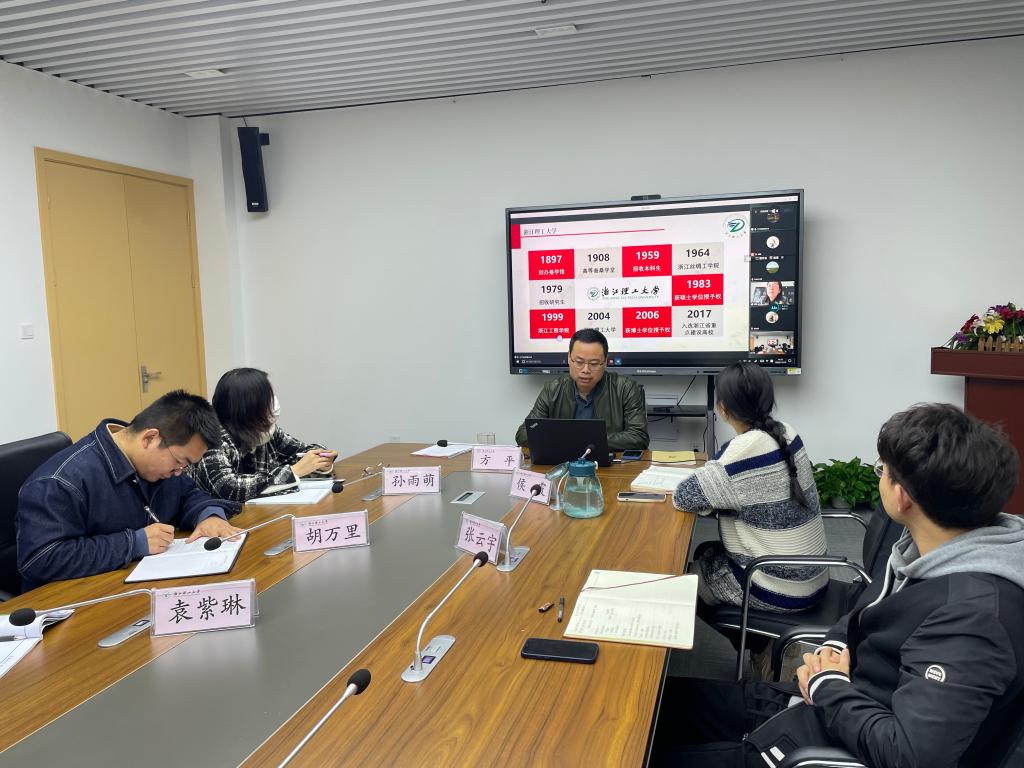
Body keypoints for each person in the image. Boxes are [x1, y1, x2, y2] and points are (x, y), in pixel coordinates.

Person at [652, 403, 1024, 768]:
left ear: (902, 497)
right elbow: (866, 612)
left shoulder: (973, 618)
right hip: (820, 706)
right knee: (650, 704)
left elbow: (909, 756)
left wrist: (827, 684)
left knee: (635, 749)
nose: (879, 476)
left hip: (824, 745)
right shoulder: (927, 548)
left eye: (882, 469)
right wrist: (832, 650)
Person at [17, 390, 243, 591]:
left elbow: (187, 494)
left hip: (137, 586)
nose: (178, 472)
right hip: (73, 601)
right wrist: (132, 543)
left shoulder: (155, 466)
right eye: (179, 462)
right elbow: (40, 558)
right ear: (150, 438)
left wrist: (208, 515)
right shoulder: (60, 481)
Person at [675, 362, 827, 616]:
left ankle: (753, 639)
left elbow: (683, 497)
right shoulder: (787, 432)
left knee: (682, 581)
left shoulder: (741, 454)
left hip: (778, 590)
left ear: (722, 409)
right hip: (813, 577)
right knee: (706, 551)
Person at [188, 368, 338, 503]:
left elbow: (301, 452)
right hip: (222, 519)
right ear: (249, 406)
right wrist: (294, 471)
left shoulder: (265, 432)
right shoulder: (213, 439)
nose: (274, 402)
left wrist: (320, 458)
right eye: (268, 398)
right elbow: (227, 487)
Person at [514, 328, 648, 452]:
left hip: (609, 465)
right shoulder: (553, 390)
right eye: (579, 362)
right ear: (569, 358)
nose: (585, 370)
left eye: (594, 364)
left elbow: (638, 436)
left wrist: (579, 439)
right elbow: (523, 433)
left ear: (605, 362)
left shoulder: (624, 388)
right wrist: (572, 439)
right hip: (563, 463)